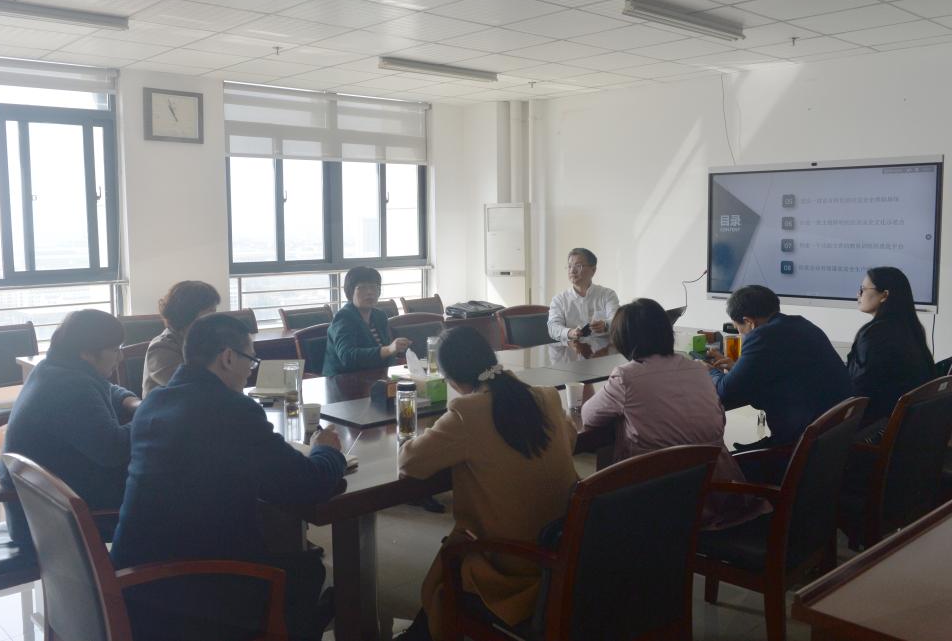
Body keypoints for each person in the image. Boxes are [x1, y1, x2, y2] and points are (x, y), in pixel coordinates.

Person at [111, 314, 346, 641]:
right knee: (307, 571)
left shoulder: (155, 401)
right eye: (250, 360)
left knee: (286, 553)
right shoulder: (230, 409)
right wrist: (327, 450)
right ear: (228, 357)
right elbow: (308, 484)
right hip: (185, 590)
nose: (250, 370)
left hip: (131, 581)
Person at [397, 327, 579, 640]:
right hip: (567, 548)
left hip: (511, 566)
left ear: (452, 379)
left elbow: (409, 462)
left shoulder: (467, 412)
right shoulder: (546, 396)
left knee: (448, 562)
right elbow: (570, 440)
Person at [580, 299, 769, 529]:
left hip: (660, 504)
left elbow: (589, 417)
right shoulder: (698, 369)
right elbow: (719, 420)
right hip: (720, 494)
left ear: (623, 340)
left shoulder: (626, 377)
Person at [0, 309, 139, 545]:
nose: (120, 357)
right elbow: (113, 449)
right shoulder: (71, 387)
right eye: (115, 350)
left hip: (37, 506)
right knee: (165, 497)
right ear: (87, 352)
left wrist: (131, 401)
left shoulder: (52, 369)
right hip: (57, 519)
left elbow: (106, 388)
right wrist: (147, 418)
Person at [706, 285, 852, 450]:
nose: (741, 334)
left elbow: (725, 392)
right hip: (832, 434)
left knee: (723, 459)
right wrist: (736, 367)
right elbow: (780, 371)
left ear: (749, 322)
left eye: (739, 328)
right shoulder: (800, 324)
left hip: (801, 445)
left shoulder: (763, 336)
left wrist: (708, 371)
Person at [848, 267, 936, 433]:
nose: (858, 294)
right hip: (909, 426)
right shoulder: (911, 328)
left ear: (884, 295)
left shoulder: (874, 334)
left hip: (879, 427)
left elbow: (858, 389)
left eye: (863, 289)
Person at [322, 266, 410, 377]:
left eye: (374, 287)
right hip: (343, 381)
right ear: (351, 292)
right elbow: (347, 357)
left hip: (376, 377)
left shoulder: (380, 316)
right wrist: (388, 350)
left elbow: (388, 356)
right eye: (362, 288)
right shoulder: (343, 318)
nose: (369, 292)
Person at [142, 280, 220, 397]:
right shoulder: (161, 347)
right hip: (169, 407)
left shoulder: (205, 340)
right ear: (188, 313)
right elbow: (187, 387)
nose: (215, 318)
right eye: (210, 312)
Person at [547, 247, 620, 350]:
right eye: (569, 266)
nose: (572, 270)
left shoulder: (607, 295)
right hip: (571, 352)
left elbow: (618, 321)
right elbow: (553, 328)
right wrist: (570, 332)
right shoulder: (559, 300)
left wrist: (605, 325)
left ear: (593, 270)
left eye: (578, 266)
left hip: (603, 352)